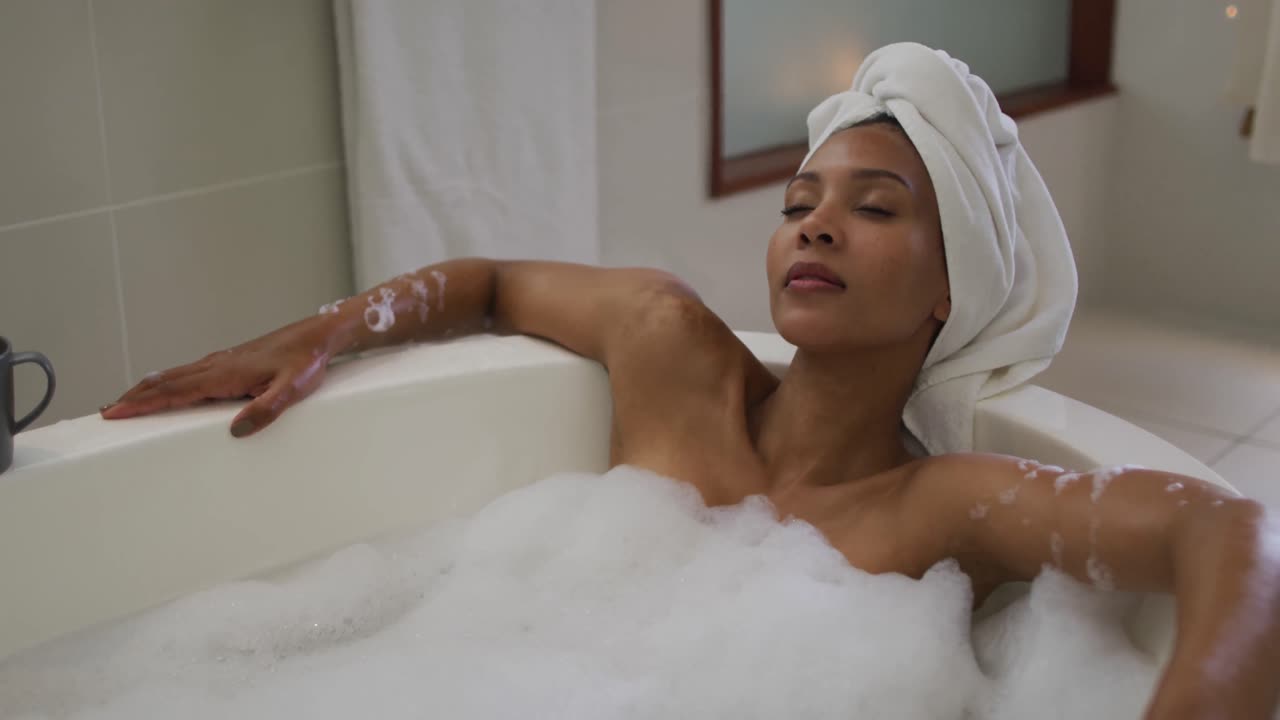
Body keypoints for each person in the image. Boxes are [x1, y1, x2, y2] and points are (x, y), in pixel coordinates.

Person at [98, 44, 1278, 718]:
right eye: (797, 205)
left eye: (872, 210)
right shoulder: (667, 352)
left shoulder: (931, 508)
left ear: (946, 293)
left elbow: (1223, 531)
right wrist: (324, 332)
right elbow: (490, 283)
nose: (813, 228)